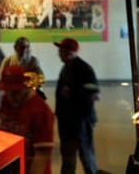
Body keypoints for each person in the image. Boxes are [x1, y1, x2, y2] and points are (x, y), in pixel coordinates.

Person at [0, 65, 54, 174]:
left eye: (15, 92)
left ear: (26, 86)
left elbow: (41, 155)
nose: (11, 96)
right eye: (7, 90)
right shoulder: (6, 100)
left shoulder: (40, 111)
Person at [54, 38, 99, 174]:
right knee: (68, 159)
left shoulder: (84, 69)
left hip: (80, 122)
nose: (59, 53)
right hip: (67, 122)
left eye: (61, 50)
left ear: (69, 52)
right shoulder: (66, 67)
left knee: (86, 155)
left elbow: (94, 93)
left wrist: (73, 93)